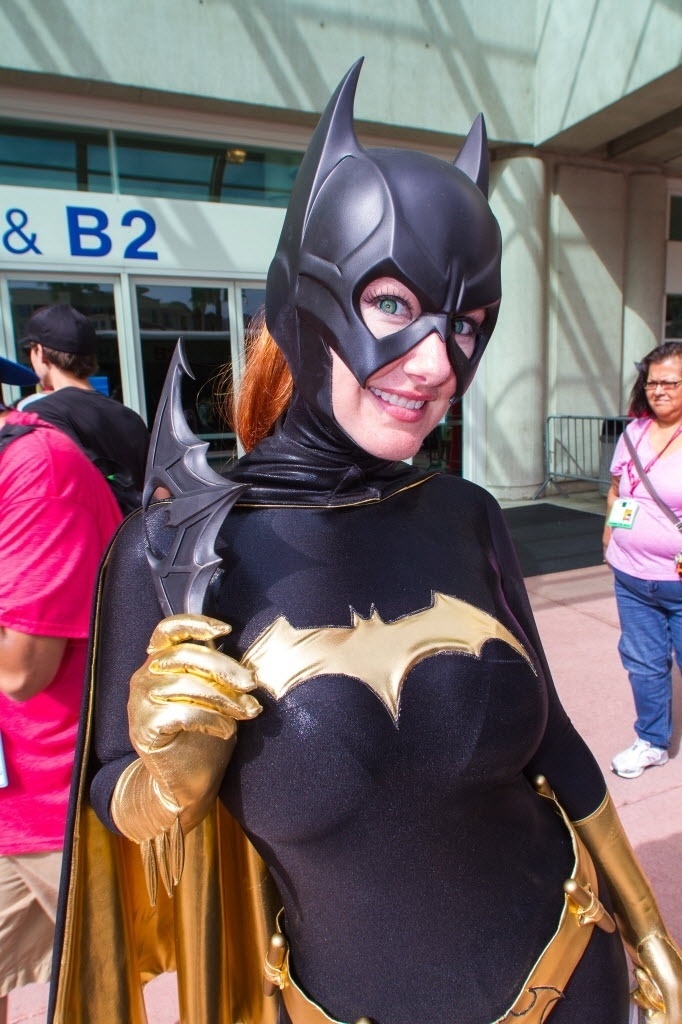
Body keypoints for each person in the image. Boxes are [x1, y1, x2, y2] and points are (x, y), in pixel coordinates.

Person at [49, 62, 682, 1024]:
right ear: (303, 299)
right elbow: (112, 801)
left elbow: (549, 733)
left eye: (466, 323)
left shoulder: (464, 512)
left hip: (577, 974)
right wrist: (165, 779)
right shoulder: (176, 556)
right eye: (392, 304)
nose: (436, 364)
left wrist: (645, 927)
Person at [0, 356, 122, 1024]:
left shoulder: (36, 466)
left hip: (58, 801)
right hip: (11, 797)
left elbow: (23, 669)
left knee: (103, 997)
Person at [605, 341, 682, 780]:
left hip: (678, 580)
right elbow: (620, 488)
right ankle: (652, 741)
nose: (658, 390)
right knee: (644, 662)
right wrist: (610, 531)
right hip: (631, 577)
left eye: (670, 382)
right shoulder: (633, 432)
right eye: (652, 382)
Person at [20, 303, 150, 514]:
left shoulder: (39, 415)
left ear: (41, 352)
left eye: (29, 350)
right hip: (131, 539)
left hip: (85, 539)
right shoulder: (130, 417)